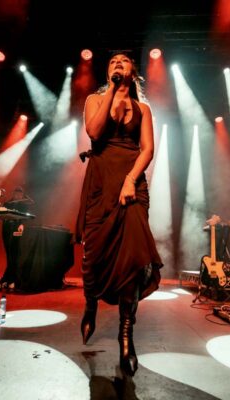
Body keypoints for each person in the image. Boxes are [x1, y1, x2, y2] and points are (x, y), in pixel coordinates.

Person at [75, 52, 163, 376]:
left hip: (132, 184)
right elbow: (95, 132)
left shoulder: (144, 109)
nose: (117, 64)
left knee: (133, 261)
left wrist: (130, 180)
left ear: (133, 72)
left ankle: (126, 335)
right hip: (101, 183)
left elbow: (148, 149)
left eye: (124, 61)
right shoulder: (94, 100)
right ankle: (91, 304)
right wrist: (111, 91)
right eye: (113, 62)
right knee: (93, 257)